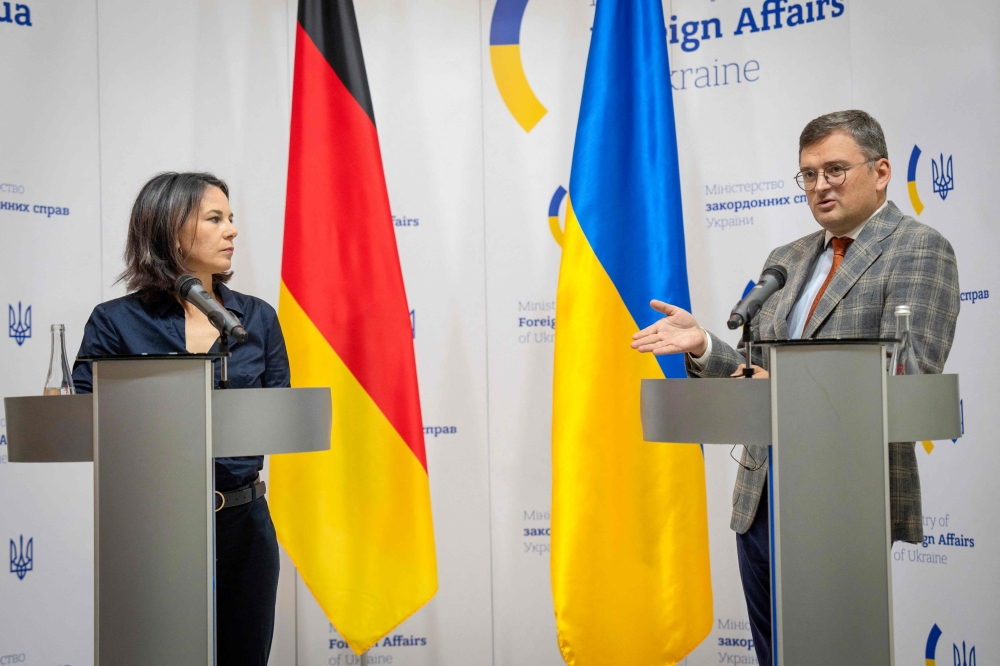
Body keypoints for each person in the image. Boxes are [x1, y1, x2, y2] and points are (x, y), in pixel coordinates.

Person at [631, 110, 960, 666]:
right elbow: (754, 371)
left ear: (881, 171)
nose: (820, 186)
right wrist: (704, 346)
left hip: (843, 497)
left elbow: (911, 375)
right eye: (808, 174)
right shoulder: (786, 260)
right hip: (761, 497)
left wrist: (788, 389)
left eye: (834, 169)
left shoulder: (918, 248)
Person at [72, 172, 288, 666]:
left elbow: (279, 410)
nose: (232, 230)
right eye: (215, 219)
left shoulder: (255, 319)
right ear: (169, 231)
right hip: (152, 526)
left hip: (244, 524)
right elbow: (85, 416)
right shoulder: (113, 321)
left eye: (231, 218)